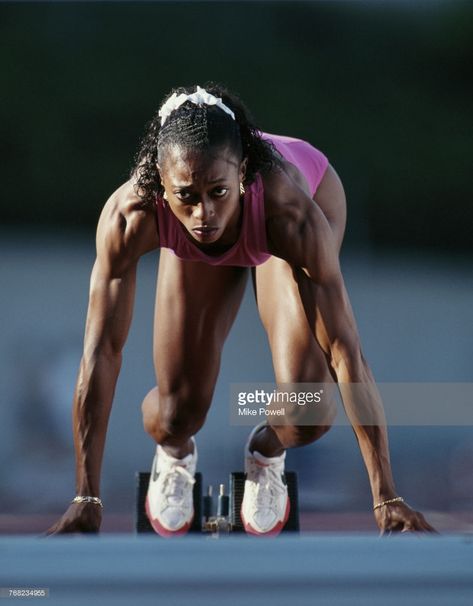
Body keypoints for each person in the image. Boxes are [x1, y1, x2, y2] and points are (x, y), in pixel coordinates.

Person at [46, 84, 434, 537]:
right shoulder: (130, 215)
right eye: (186, 197)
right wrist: (86, 496)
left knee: (309, 409)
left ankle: (265, 451)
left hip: (285, 218)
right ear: (160, 183)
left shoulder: (290, 213)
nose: (204, 214)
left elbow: (346, 353)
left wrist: (386, 496)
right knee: (176, 414)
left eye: (217, 192)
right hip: (220, 225)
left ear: (244, 172)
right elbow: (101, 353)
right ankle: (174, 452)